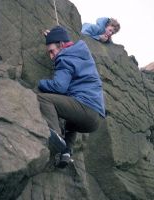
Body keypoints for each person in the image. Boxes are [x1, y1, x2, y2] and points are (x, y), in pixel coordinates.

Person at [37, 26, 105, 168]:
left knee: (43, 99)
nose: (51, 56)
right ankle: (66, 153)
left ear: (61, 45)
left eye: (51, 51)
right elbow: (61, 44)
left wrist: (41, 83)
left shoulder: (65, 58)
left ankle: (56, 138)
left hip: (85, 109)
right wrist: (53, 37)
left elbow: (59, 87)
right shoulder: (82, 53)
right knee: (70, 120)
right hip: (95, 120)